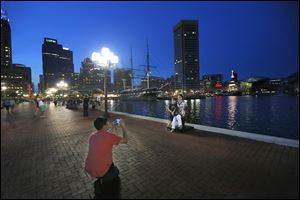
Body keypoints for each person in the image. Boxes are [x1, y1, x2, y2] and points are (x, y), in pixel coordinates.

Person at [85, 117, 128, 199]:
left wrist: (113, 127)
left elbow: (108, 137)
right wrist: (123, 127)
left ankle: (100, 190)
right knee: (115, 175)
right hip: (102, 170)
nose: (109, 123)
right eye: (107, 123)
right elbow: (125, 140)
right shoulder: (109, 136)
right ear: (104, 126)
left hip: (91, 168)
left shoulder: (92, 136)